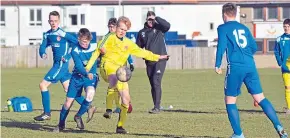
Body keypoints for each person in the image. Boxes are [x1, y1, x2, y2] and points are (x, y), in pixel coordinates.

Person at [85, 16, 169, 134]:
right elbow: (96, 52)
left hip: (121, 72)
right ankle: (108, 109)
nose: (122, 31)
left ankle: (120, 126)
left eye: (125, 30)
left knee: (126, 100)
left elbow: (143, 52)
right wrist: (87, 68)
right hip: (107, 67)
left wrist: (159, 57)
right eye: (121, 28)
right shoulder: (108, 38)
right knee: (113, 79)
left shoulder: (128, 43)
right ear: (116, 27)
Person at [215, 3, 288, 138]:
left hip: (235, 67)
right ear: (235, 14)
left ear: (224, 14)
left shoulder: (222, 28)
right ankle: (281, 129)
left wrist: (217, 64)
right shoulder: (244, 27)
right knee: (260, 98)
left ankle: (238, 134)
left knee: (230, 101)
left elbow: (221, 47)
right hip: (250, 66)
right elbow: (254, 47)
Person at [34, 11, 95, 121]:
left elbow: (77, 43)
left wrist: (67, 56)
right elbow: (42, 46)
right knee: (69, 90)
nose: (53, 23)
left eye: (55, 21)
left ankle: (47, 113)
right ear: (49, 21)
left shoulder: (63, 34)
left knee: (42, 85)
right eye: (51, 21)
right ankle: (89, 107)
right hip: (59, 66)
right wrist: (42, 53)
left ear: (59, 21)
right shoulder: (47, 34)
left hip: (60, 65)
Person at [53, 28, 99, 132]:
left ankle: (78, 116)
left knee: (90, 93)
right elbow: (78, 66)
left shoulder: (95, 46)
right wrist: (86, 73)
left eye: (87, 41)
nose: (85, 44)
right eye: (83, 41)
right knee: (68, 103)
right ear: (79, 39)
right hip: (77, 77)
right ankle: (61, 125)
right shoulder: (75, 50)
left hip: (90, 77)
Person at [136, 11, 170, 114]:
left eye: (152, 19)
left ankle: (157, 107)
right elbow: (138, 48)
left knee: (156, 81)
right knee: (153, 84)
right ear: (146, 19)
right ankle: (156, 104)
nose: (151, 21)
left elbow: (168, 25)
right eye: (149, 19)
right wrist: (143, 55)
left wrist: (157, 18)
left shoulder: (160, 29)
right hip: (149, 61)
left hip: (161, 60)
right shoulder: (142, 32)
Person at [103, 17, 134, 115]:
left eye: (113, 26)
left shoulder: (122, 38)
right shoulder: (107, 38)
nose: (111, 28)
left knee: (123, 87)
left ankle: (126, 103)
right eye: (110, 27)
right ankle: (117, 106)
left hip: (122, 66)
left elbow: (127, 51)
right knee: (115, 86)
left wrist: (131, 62)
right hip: (111, 67)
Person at [274, 18, 290, 114]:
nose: (286, 28)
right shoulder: (279, 39)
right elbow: (276, 51)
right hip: (285, 68)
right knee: (288, 88)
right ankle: (289, 108)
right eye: (285, 26)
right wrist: (280, 62)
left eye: (288, 26)